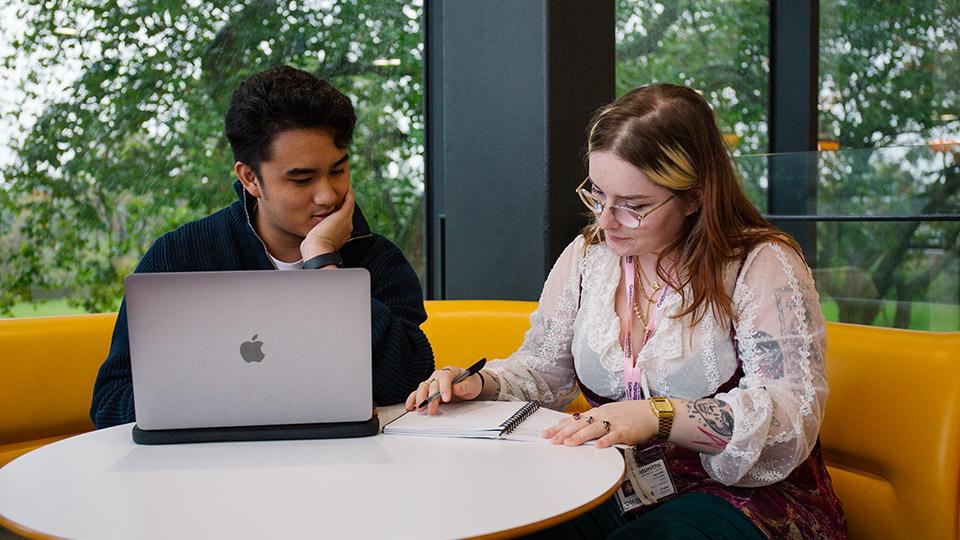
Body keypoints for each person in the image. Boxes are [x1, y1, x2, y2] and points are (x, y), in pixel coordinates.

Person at [405, 84, 845, 538]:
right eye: (597, 195)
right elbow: (544, 371)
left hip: (747, 497)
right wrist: (482, 384)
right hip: (615, 483)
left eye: (634, 207)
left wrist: (660, 415)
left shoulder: (760, 264)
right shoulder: (588, 258)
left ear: (695, 196)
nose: (606, 221)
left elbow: (789, 420)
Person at [91, 65, 434, 428]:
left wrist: (324, 266)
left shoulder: (377, 260)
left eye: (338, 170)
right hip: (204, 472)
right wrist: (222, 405)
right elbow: (110, 401)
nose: (328, 195)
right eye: (302, 179)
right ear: (250, 178)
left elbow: (408, 382)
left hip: (341, 469)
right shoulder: (178, 259)